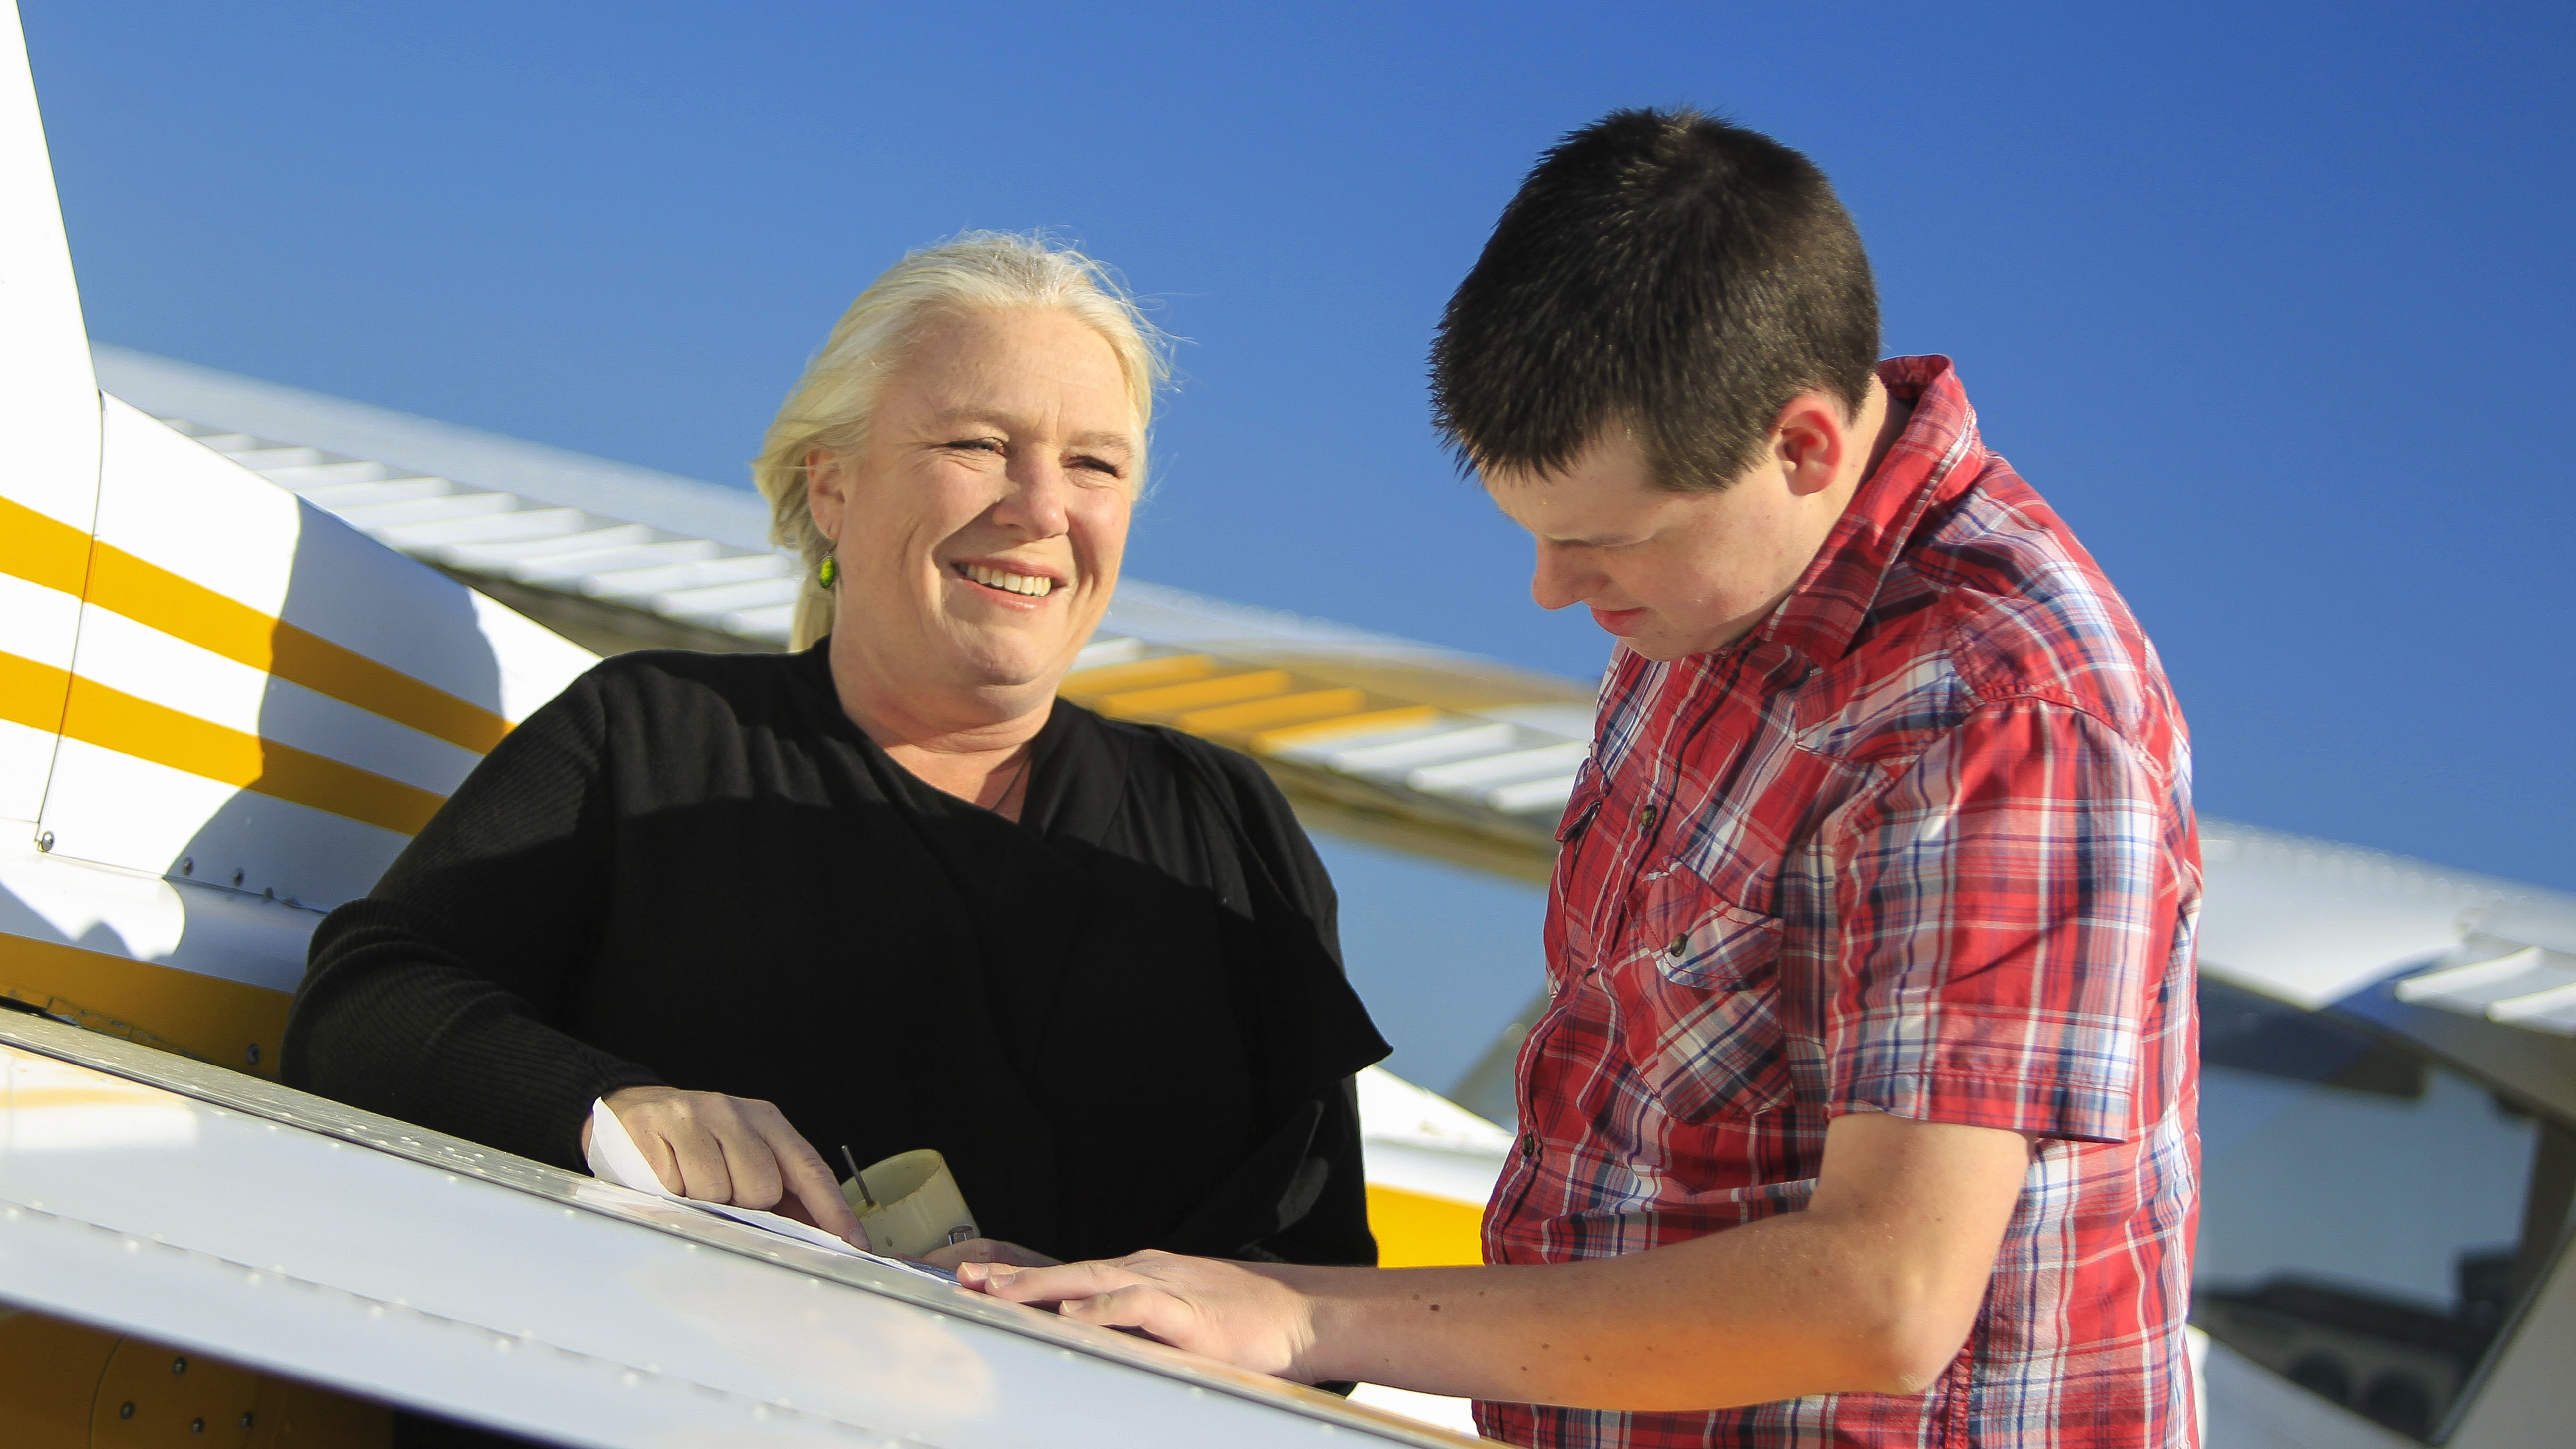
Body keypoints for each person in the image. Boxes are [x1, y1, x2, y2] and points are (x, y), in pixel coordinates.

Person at [962, 111, 2201, 1449]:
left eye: (1603, 541)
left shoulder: (2003, 719)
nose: (1553, 590)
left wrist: (1299, 1314)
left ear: (1800, 449)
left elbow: (1887, 1292)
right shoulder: (1714, 584)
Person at [284, 233, 1389, 1281]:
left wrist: (1137, 1313)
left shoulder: (1228, 827)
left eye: (1095, 463)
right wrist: (611, 1103)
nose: (1042, 507)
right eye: (977, 444)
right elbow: (361, 1006)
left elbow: (1314, 1270)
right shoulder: (652, 733)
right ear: (833, 484)